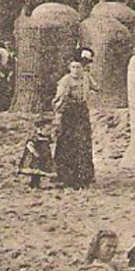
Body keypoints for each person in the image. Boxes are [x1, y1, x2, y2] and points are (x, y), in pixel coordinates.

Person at [52, 50, 96, 188]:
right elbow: (59, 100)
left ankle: (84, 176)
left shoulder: (87, 77)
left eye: (79, 67)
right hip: (69, 114)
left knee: (83, 142)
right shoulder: (65, 81)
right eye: (73, 67)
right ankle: (66, 176)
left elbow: (96, 87)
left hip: (82, 112)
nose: (76, 70)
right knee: (68, 143)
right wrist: (58, 116)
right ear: (69, 68)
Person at [17, 119, 55, 188]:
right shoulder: (35, 137)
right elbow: (29, 144)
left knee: (40, 170)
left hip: (43, 156)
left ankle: (37, 183)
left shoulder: (47, 138)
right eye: (48, 130)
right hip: (34, 157)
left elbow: (51, 144)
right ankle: (33, 183)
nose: (50, 132)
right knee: (35, 170)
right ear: (40, 129)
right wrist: (34, 152)